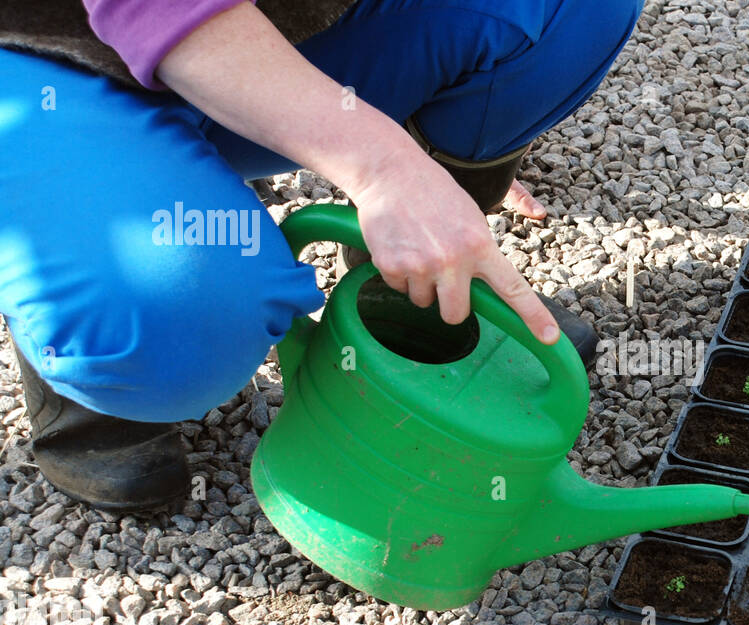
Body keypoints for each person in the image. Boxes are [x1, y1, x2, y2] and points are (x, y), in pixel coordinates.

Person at [0, 0, 642, 510]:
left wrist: (455, 146)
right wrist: (382, 164)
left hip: (269, 32)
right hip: (47, 56)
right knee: (172, 323)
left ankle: (407, 300)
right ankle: (92, 308)